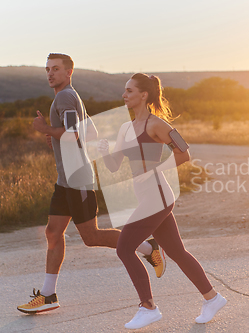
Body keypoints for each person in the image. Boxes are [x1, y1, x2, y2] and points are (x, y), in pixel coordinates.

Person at [17, 54, 165, 314]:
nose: (50, 74)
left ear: (69, 71)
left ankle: (147, 246)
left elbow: (74, 135)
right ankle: (48, 295)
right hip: (66, 180)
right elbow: (90, 132)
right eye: (47, 69)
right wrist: (57, 135)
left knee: (91, 236)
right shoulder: (69, 96)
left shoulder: (65, 97)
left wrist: (46, 129)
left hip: (78, 179)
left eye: (56, 69)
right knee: (53, 233)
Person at [97, 73, 227, 329]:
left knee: (124, 248)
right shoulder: (126, 128)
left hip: (158, 196)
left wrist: (157, 170)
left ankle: (148, 307)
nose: (124, 95)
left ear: (143, 95)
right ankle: (212, 298)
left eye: (130, 90)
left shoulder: (157, 125)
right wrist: (104, 153)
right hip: (146, 196)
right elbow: (115, 167)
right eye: (124, 90)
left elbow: (184, 151)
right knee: (177, 252)